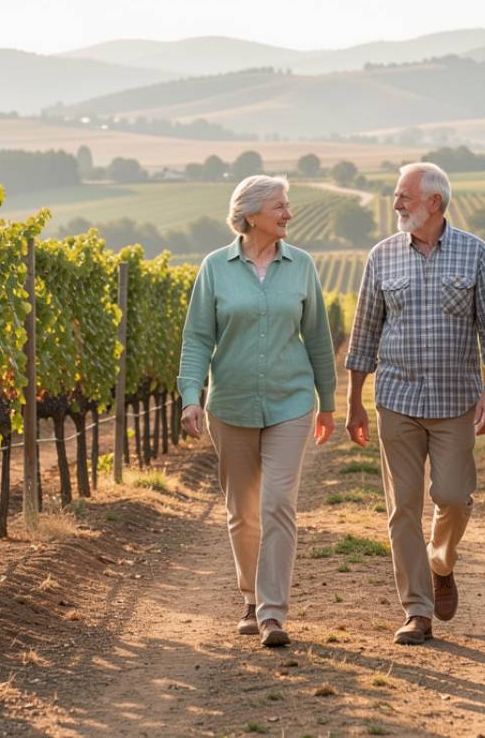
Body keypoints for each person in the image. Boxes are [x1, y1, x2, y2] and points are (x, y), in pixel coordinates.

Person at [345, 162, 485, 645]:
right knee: (402, 509)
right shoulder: (382, 256)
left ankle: (442, 561)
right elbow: (363, 335)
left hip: (456, 400)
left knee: (454, 497)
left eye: (403, 196)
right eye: (397, 196)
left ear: (433, 202)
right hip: (396, 399)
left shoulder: (474, 253)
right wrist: (354, 401)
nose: (395, 203)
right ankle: (417, 610)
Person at [178, 174, 337, 648]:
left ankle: (271, 613)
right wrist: (191, 395)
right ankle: (249, 597)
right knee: (242, 512)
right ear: (251, 216)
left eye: (287, 205)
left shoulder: (302, 265)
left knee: (277, 505)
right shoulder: (214, 268)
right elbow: (197, 339)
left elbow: (319, 340)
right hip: (230, 404)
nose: (289, 214)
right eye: (280, 207)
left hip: (291, 402)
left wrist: (327, 404)